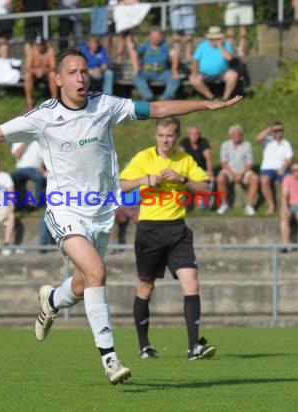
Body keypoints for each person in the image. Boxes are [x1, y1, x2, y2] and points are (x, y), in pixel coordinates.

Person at [0, 47, 242, 384]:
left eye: (83, 71)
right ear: (58, 79)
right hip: (65, 208)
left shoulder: (105, 105)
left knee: (82, 284)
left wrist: (204, 104)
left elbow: (157, 108)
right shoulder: (43, 116)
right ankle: (110, 359)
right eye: (72, 73)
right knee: (97, 271)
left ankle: (51, 298)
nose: (80, 77)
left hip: (101, 210)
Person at [119, 116, 216, 360]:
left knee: (191, 283)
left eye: (170, 135)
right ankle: (144, 347)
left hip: (177, 230)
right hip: (149, 230)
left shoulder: (184, 160)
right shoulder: (144, 158)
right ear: (156, 136)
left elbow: (205, 189)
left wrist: (181, 179)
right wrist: (145, 180)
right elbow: (121, 184)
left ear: (176, 137)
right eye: (161, 135)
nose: (165, 140)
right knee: (145, 287)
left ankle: (194, 346)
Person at [216, 124, 258, 216]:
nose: (236, 136)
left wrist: (242, 174)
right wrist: (234, 174)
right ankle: (224, 204)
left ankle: (250, 206)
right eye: (234, 134)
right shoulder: (225, 145)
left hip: (244, 171)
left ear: (241, 135)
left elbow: (249, 163)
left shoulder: (247, 145)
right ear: (230, 135)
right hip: (229, 171)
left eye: (238, 134)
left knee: (254, 178)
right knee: (220, 178)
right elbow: (224, 163)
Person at [130, 27, 181, 101]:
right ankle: (148, 98)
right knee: (137, 77)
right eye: (154, 36)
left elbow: (175, 54)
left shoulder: (165, 46)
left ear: (161, 37)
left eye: (158, 36)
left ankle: (165, 99)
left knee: (175, 79)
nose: (156, 38)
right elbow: (134, 53)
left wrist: (174, 69)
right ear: (149, 37)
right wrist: (136, 68)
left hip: (163, 73)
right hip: (147, 72)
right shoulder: (145, 46)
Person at [189, 26, 238, 102]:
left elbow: (229, 58)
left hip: (222, 73)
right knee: (193, 80)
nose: (214, 40)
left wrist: (220, 47)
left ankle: (225, 98)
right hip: (204, 73)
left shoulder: (226, 45)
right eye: (212, 38)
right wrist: (194, 73)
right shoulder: (202, 46)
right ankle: (211, 98)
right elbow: (195, 60)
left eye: (216, 38)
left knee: (233, 75)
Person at [256, 122, 294, 214]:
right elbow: (258, 138)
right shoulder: (267, 140)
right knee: (264, 181)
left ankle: (284, 206)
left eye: (280, 130)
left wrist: (284, 168)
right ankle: (271, 205)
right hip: (267, 168)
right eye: (276, 130)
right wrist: (269, 129)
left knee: (285, 181)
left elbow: (290, 160)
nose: (278, 132)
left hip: (281, 168)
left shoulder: (286, 143)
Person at [179, 125, 214, 210]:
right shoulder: (184, 142)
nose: (194, 136)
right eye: (192, 134)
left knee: (211, 180)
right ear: (188, 135)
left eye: (196, 134)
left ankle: (203, 207)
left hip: (202, 171)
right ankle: (183, 205)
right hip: (188, 170)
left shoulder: (203, 142)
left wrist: (210, 171)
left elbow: (208, 158)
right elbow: (180, 158)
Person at [24, 35, 58, 111]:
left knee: (53, 75)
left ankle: (54, 100)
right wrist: (36, 71)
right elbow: (28, 68)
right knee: (27, 75)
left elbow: (53, 67)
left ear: (44, 44)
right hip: (35, 75)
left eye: (41, 44)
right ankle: (29, 102)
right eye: (38, 45)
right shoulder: (31, 51)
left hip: (47, 75)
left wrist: (44, 70)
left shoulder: (50, 50)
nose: (39, 46)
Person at [10, 141, 45, 208]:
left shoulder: (38, 141)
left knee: (39, 178)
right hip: (20, 169)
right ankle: (18, 203)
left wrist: (42, 167)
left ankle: (37, 203)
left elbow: (43, 158)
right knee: (13, 178)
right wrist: (26, 142)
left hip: (35, 169)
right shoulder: (17, 140)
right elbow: (17, 155)